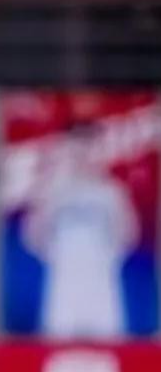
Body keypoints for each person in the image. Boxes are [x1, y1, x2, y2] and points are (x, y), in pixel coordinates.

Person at [23, 121, 138, 337]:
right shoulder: (52, 191)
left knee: (107, 344)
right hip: (64, 287)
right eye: (77, 146)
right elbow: (33, 235)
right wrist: (58, 258)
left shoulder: (112, 193)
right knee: (60, 343)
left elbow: (128, 235)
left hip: (101, 286)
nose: (83, 153)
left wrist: (105, 259)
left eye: (90, 146)